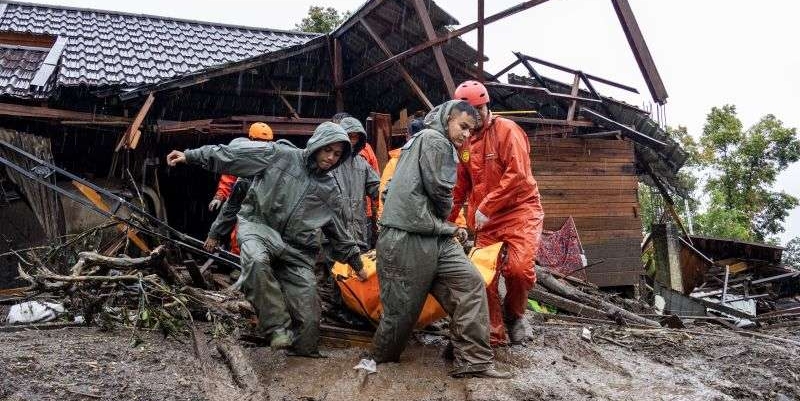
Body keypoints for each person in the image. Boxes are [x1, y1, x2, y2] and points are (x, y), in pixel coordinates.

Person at [166, 122, 366, 356]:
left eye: (337, 154)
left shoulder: (330, 190)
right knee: (257, 261)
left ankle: (303, 350)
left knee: (310, 318)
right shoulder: (279, 155)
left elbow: (339, 231)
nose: (331, 157)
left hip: (297, 250)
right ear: (316, 144)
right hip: (259, 227)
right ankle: (276, 327)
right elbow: (233, 155)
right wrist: (191, 156)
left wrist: (357, 263)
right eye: (327, 150)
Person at [372, 100, 511, 379]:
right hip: (408, 239)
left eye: (471, 131)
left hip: (433, 235)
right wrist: (449, 224)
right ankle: (379, 359)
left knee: (469, 284)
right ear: (447, 119)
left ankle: (474, 359)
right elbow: (439, 193)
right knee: (401, 313)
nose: (466, 135)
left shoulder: (433, 143)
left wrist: (447, 227)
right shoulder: (434, 141)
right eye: (462, 126)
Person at [449, 80, 545, 346]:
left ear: (486, 105)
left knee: (519, 270)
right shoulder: (464, 142)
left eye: (478, 109)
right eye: (467, 112)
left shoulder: (507, 131)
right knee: (483, 276)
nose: (474, 116)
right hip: (486, 220)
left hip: (520, 210)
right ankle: (493, 332)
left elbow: (518, 175)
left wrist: (487, 205)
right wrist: (444, 224)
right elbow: (459, 187)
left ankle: (515, 316)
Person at [205, 122, 274, 254]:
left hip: (268, 211)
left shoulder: (277, 162)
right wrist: (220, 196)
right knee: (241, 230)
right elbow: (228, 180)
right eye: (259, 142)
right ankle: (239, 261)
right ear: (251, 140)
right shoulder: (241, 163)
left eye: (266, 142)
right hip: (248, 205)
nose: (262, 146)